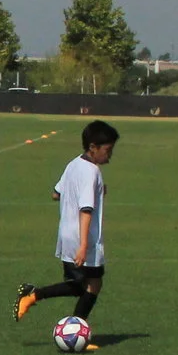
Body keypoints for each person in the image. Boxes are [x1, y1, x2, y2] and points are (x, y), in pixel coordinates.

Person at [15, 121, 116, 338]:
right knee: (92, 285)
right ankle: (69, 326)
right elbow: (86, 209)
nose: (110, 156)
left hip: (66, 235)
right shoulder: (92, 172)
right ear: (93, 147)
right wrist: (84, 246)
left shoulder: (73, 164)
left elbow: (56, 193)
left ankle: (37, 298)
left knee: (82, 285)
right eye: (107, 150)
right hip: (83, 238)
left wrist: (97, 191)